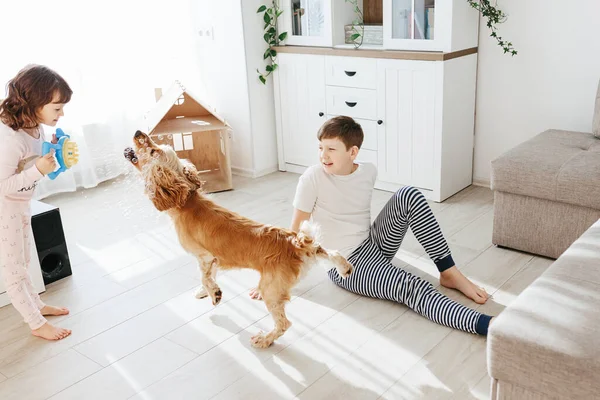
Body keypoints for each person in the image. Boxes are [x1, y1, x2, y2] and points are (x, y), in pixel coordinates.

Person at [251, 116, 493, 335]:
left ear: (352, 152)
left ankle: (448, 271)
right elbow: (294, 235)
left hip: (374, 245)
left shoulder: (368, 172)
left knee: (409, 195)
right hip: (346, 264)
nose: (323, 155)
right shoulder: (312, 178)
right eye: (321, 148)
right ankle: (486, 325)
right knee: (412, 286)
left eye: (331, 149)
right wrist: (272, 279)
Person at [0, 64, 73, 340]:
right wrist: (37, 170)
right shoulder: (9, 139)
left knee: (26, 258)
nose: (62, 113)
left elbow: (35, 165)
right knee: (14, 268)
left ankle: (37, 305)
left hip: (19, 202)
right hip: (4, 208)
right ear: (34, 103)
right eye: (57, 107)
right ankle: (35, 323)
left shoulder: (35, 127)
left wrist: (52, 154)